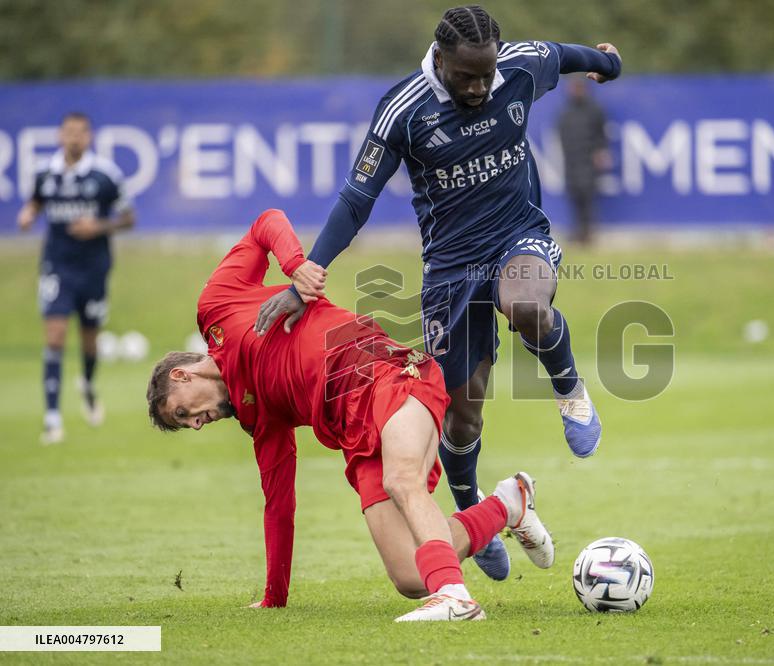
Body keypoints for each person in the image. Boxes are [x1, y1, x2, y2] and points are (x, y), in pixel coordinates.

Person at [255, 4, 621, 584]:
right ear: (440, 58)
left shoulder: (522, 67)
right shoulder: (403, 109)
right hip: (450, 269)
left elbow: (576, 57)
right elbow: (356, 200)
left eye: (486, 74)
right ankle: (472, 501)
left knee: (525, 302)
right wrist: (310, 272)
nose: (478, 87)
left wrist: (608, 62)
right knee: (461, 417)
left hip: (518, 235)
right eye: (465, 76)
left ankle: (569, 387)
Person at [145, 209, 554, 622]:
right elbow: (279, 507)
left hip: (375, 370)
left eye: (183, 413)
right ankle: (508, 504)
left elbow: (266, 223)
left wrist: (296, 268)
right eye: (186, 424)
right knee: (411, 576)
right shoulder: (259, 420)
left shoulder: (216, 307)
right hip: (352, 432)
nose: (196, 423)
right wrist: (274, 596)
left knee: (402, 480)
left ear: (181, 375)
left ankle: (455, 597)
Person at [17, 112, 136, 445]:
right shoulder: (45, 173)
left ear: (89, 137)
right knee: (54, 336)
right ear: (60, 136)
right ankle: (52, 419)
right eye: (68, 132)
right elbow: (36, 202)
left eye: (80, 133)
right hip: (57, 266)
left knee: (89, 340)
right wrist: (28, 214)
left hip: (95, 267)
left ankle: (87, 383)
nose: (73, 138)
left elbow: (128, 218)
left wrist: (97, 227)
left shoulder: (105, 176)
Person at [558, 76, 610, 246]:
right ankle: (577, 230)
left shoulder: (594, 110)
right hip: (571, 160)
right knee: (574, 195)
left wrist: (601, 152)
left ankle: (587, 232)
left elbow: (601, 134)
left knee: (587, 195)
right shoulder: (566, 111)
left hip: (588, 160)